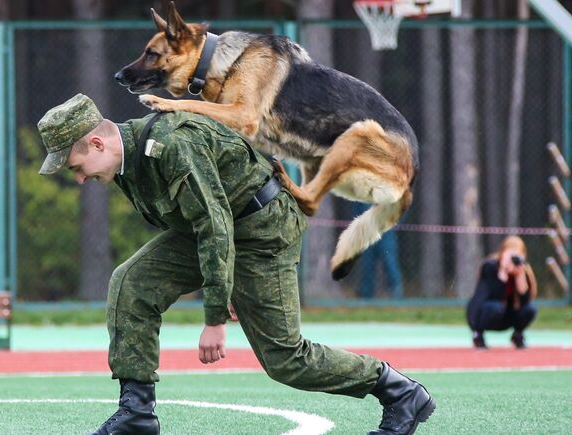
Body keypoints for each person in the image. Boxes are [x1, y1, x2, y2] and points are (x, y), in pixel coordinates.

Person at [37, 94, 436, 435]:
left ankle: (399, 391)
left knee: (286, 359)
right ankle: (136, 414)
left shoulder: (172, 145)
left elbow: (215, 227)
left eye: (75, 166)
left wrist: (214, 318)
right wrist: (221, 280)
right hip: (220, 230)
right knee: (131, 282)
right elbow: (197, 224)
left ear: (96, 143)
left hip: (264, 229)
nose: (79, 179)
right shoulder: (126, 165)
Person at [467, 236, 538, 349]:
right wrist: (503, 274)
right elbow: (493, 295)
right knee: (496, 307)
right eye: (510, 256)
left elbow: (525, 302)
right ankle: (478, 334)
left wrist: (520, 277)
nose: (513, 260)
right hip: (485, 314)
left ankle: (517, 335)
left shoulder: (523, 271)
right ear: (502, 253)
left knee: (531, 309)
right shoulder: (490, 266)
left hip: (507, 314)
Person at [351, 202, 404, 299]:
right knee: (367, 265)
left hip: (386, 233)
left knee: (389, 263)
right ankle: (366, 297)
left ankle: (396, 295)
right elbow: (356, 211)